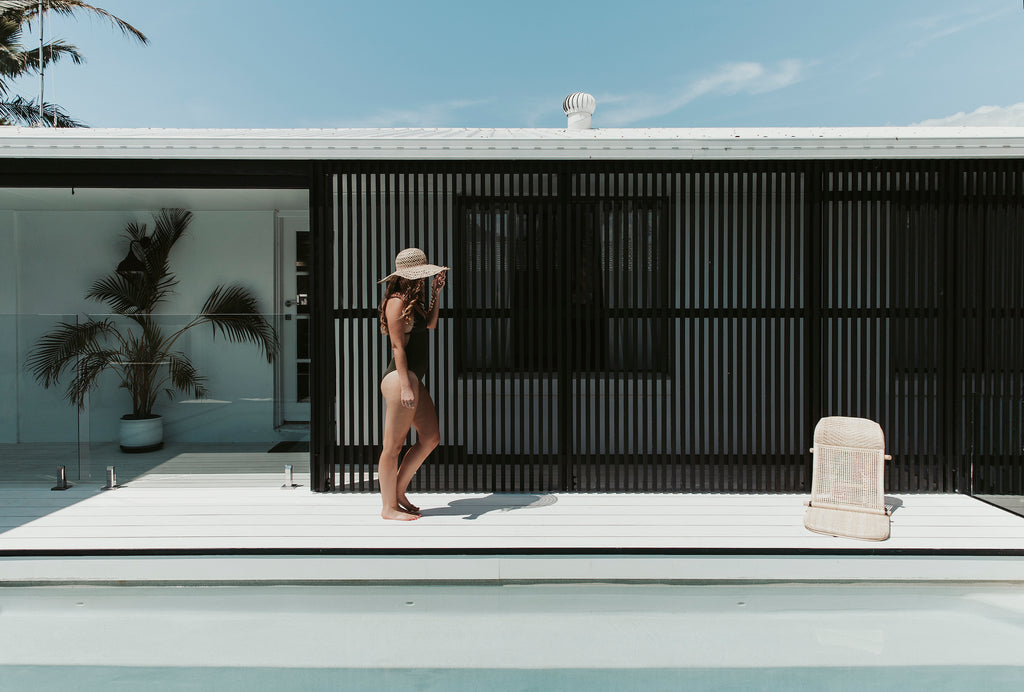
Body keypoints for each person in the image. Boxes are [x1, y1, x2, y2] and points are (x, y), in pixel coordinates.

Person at [376, 248, 448, 521]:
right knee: (392, 446)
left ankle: (398, 491)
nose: (422, 280)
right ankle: (388, 507)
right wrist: (406, 386)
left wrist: (436, 293)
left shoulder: (412, 301)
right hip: (400, 378)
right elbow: (397, 347)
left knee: (431, 437)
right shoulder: (396, 302)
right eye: (420, 276)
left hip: (413, 378)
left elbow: (430, 324)